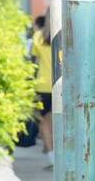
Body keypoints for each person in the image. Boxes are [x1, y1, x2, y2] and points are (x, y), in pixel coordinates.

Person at [31, 9, 54, 168]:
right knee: (61, 121)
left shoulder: (38, 36)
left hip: (42, 85)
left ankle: (52, 158)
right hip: (63, 84)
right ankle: (64, 155)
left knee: (44, 122)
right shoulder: (68, 35)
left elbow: (34, 63)